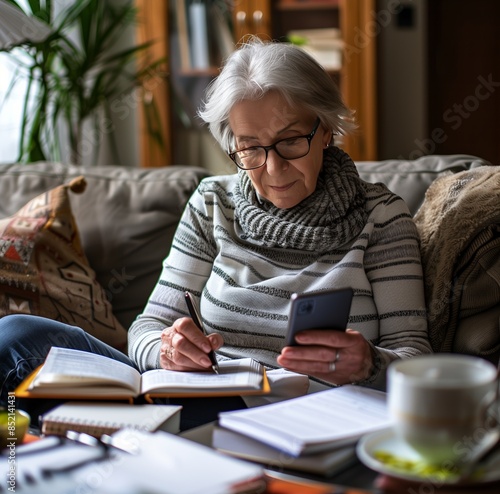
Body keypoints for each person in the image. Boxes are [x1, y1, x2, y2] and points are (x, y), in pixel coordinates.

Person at [0, 39, 431, 428]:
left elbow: (418, 360)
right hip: (191, 392)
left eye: (291, 141)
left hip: (302, 414)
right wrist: (166, 348)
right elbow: (147, 326)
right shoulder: (213, 202)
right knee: (15, 336)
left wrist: (368, 364)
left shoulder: (381, 217)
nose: (274, 168)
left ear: (326, 131)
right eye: (250, 148)